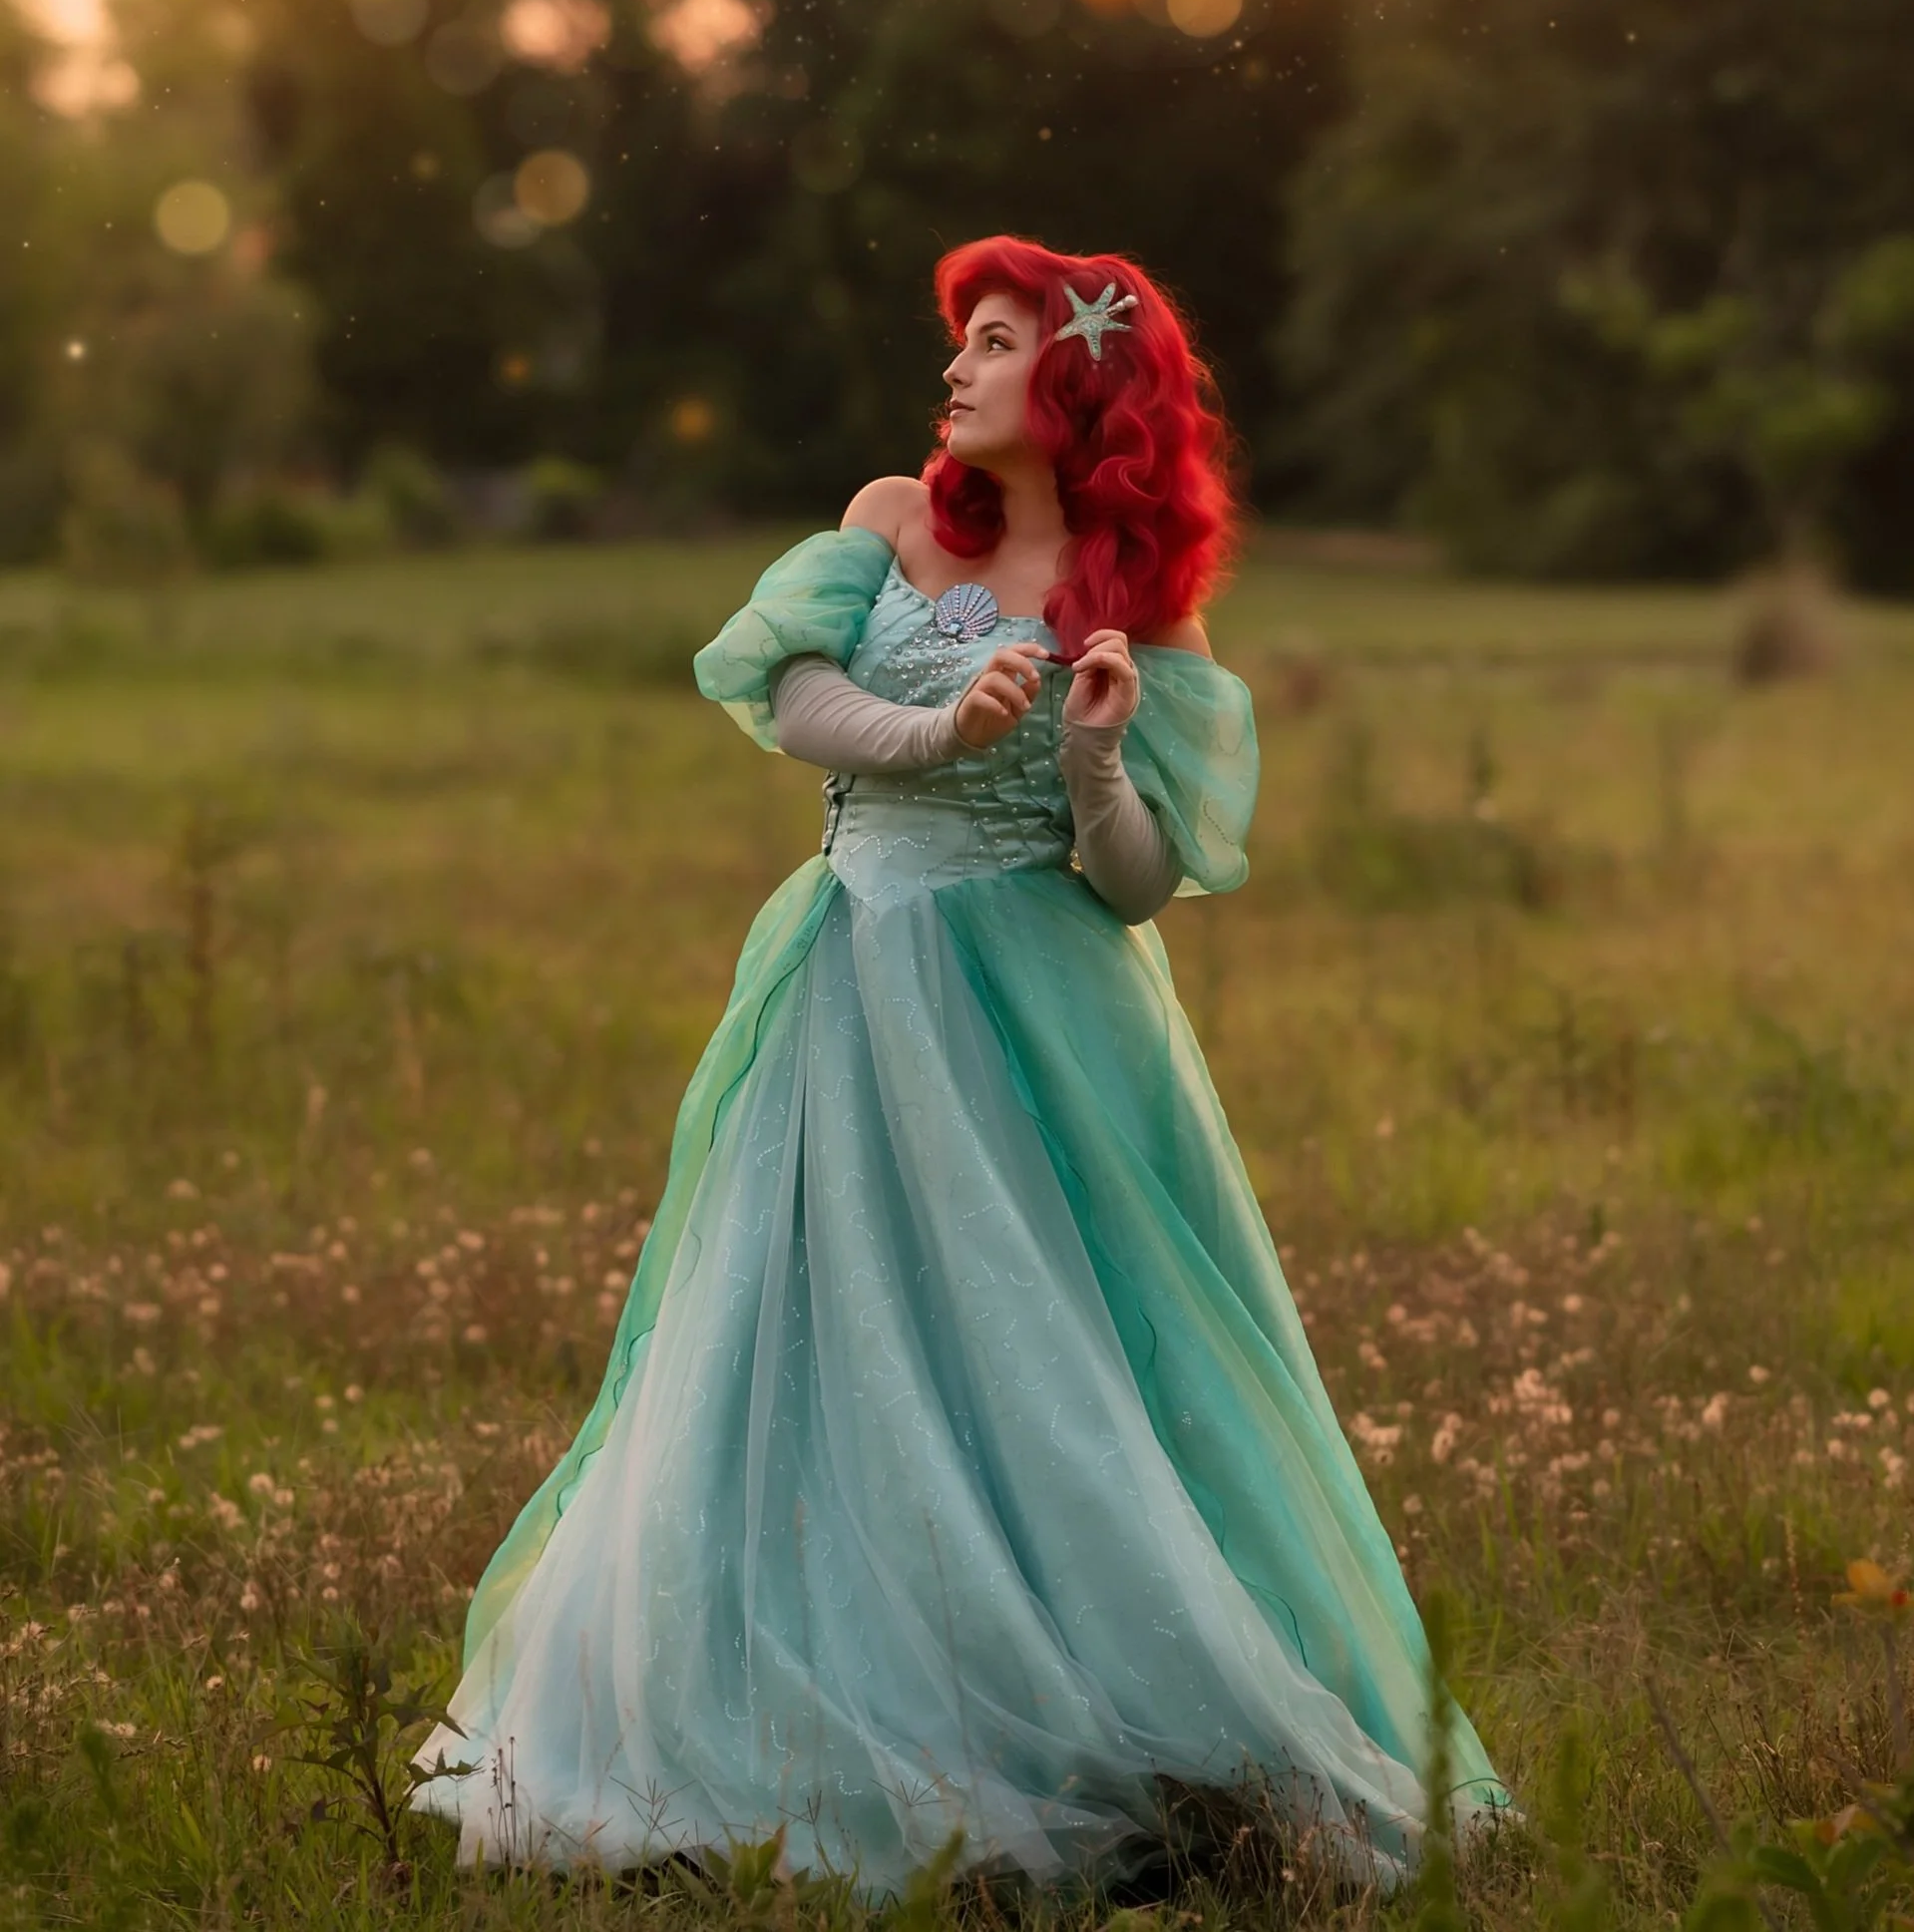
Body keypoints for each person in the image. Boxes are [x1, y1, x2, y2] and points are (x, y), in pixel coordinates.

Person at [414, 234, 1504, 1889]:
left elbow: (1137, 882)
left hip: (1039, 1011)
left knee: (1049, 1339)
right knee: (801, 1320)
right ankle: (810, 1686)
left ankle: (1117, 1707)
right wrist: (937, 730)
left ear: (1076, 381)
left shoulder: (1143, 597)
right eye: (962, 341)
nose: (955, 367)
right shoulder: (887, 520)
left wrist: (1091, 760)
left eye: (993, 342)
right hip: (855, 975)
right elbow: (793, 700)